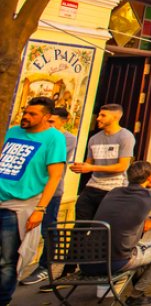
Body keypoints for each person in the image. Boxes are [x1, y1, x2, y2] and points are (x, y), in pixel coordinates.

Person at [0, 97, 66, 306]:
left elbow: (55, 176)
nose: (26, 117)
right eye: (25, 112)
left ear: (47, 117)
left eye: (32, 114)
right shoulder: (13, 132)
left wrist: (40, 209)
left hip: (19, 206)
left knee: (7, 260)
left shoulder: (54, 138)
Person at [93, 161, 151, 305]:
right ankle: (136, 294)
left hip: (89, 261)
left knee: (138, 243)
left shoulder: (113, 192)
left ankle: (136, 278)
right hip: (117, 261)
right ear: (150, 177)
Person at [20, 106, 78, 287]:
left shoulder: (66, 139)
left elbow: (42, 156)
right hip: (27, 190)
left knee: (48, 229)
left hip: (51, 191)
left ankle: (45, 266)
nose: (48, 125)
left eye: (52, 121)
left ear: (64, 121)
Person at [72, 104, 136, 223]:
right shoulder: (94, 139)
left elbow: (122, 167)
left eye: (103, 115)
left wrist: (92, 167)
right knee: (80, 224)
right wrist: (80, 167)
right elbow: (89, 163)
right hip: (92, 186)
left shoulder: (126, 137)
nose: (98, 118)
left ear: (116, 117)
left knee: (102, 227)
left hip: (114, 188)